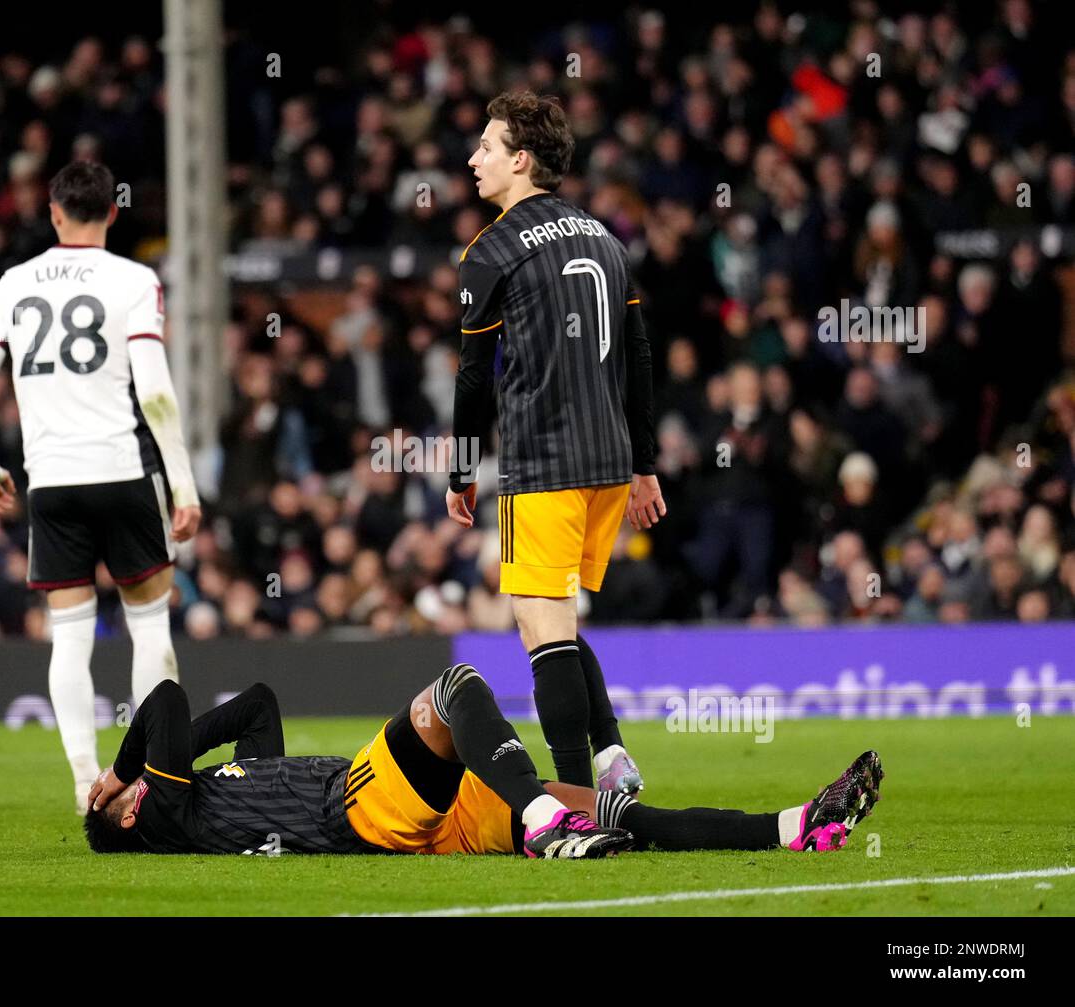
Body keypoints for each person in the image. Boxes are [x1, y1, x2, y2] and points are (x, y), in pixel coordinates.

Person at [0, 161, 201, 813]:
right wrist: (183, 484)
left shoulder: (13, 283)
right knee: (150, 627)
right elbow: (154, 391)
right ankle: (147, 782)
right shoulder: (134, 280)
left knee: (70, 637)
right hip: (121, 470)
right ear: (113, 212)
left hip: (53, 482)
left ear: (54, 212)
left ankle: (82, 785)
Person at [84, 665, 883, 859]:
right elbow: (163, 699)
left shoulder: (217, 790)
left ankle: (792, 827)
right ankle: (541, 823)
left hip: (422, 821)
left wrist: (164, 769)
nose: (140, 792)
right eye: (124, 805)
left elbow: (255, 703)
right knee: (456, 687)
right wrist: (120, 779)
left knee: (621, 818)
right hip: (357, 805)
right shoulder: (161, 815)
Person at [446, 91, 665, 792]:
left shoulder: (491, 249)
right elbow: (638, 353)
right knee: (560, 622)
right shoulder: (605, 236)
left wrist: (459, 471)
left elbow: (475, 375)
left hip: (543, 459)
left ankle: (574, 796)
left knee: (541, 630)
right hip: (608, 459)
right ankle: (609, 755)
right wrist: (645, 465)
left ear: (520, 159)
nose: (473, 158)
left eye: (486, 146)